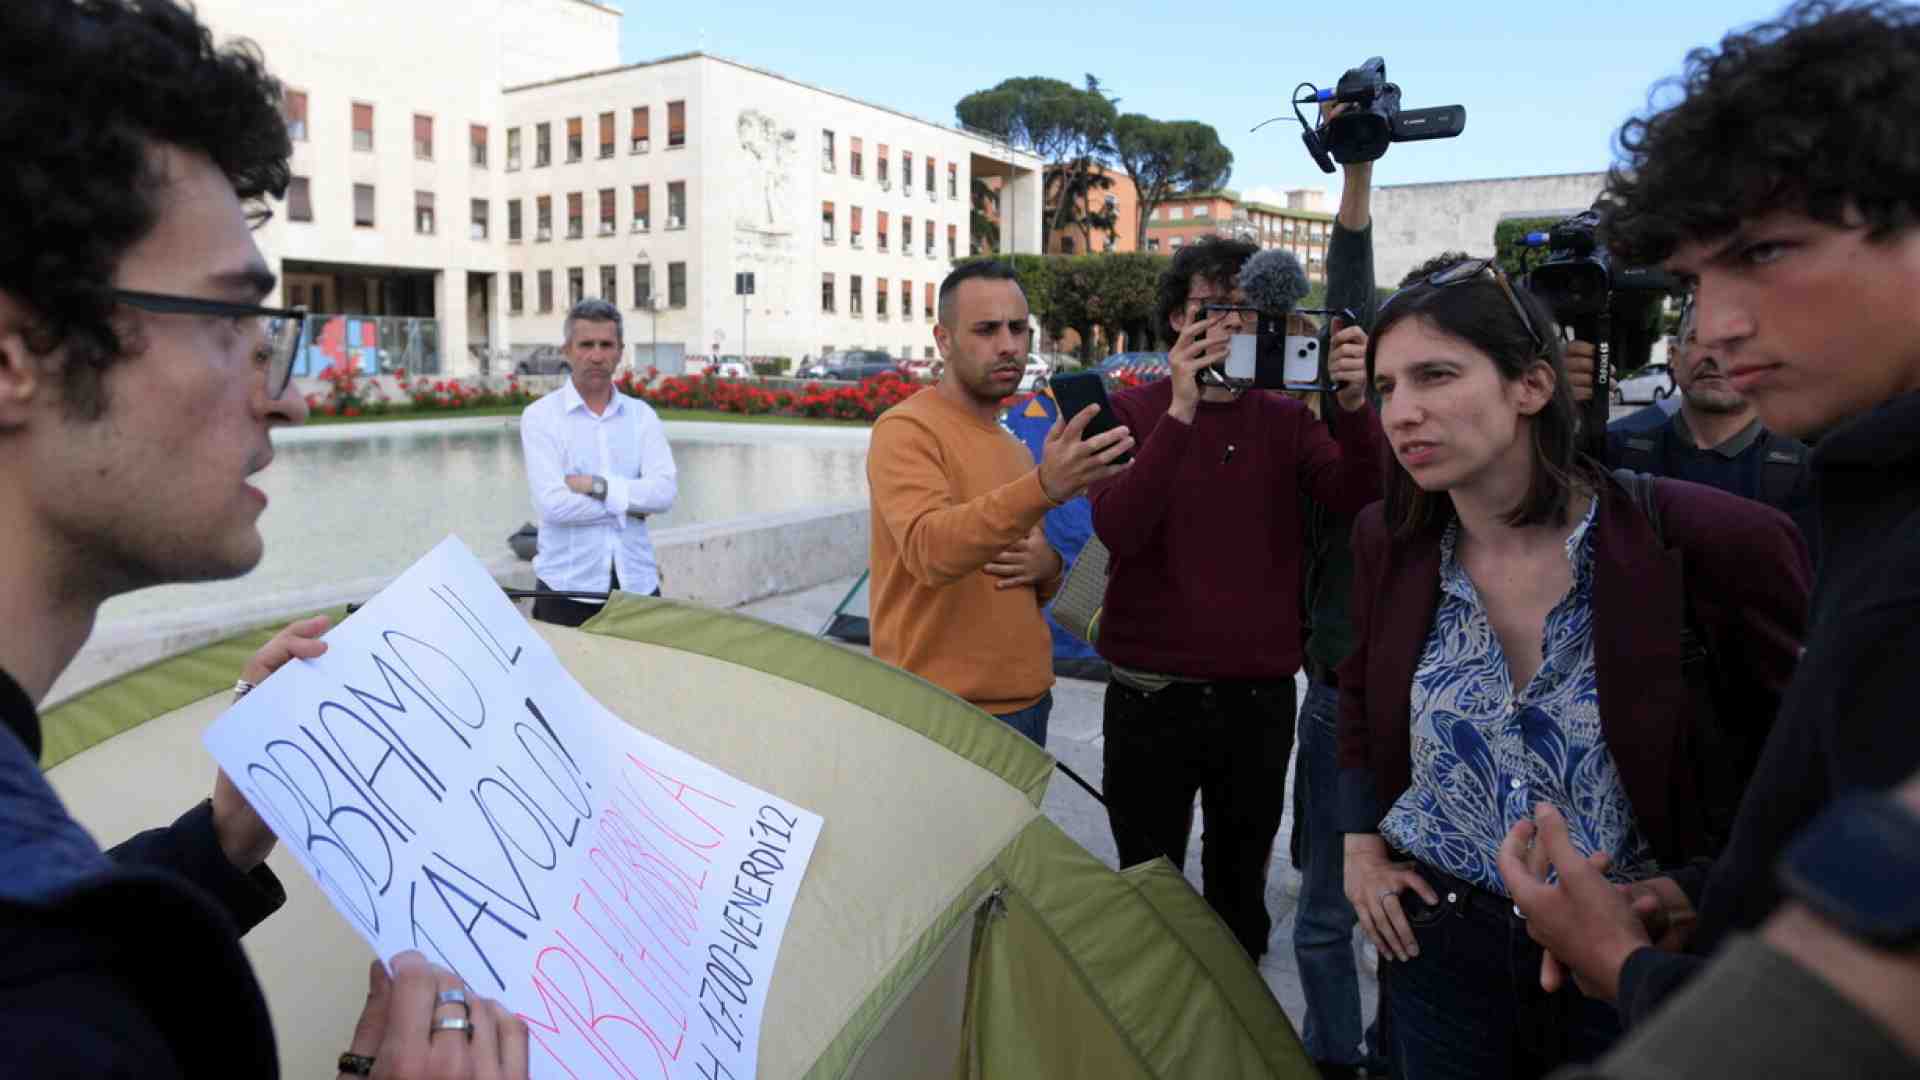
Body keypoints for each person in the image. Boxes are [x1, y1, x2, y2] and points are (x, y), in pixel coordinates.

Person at [0, 2, 524, 1077]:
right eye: (233, 321)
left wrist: (225, 837)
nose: (287, 403)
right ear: (16, 353)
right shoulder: (46, 996)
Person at [1492, 0, 1920, 1040]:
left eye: (1768, 252)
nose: (1717, 327)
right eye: (1693, 280)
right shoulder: (1871, 497)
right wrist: (1721, 901)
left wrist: (1624, 970)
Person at [1337, 254, 1809, 1078]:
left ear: (1531, 386)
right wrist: (1356, 841)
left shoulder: (1713, 542)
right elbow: (1356, 689)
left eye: (1436, 376)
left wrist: (1697, 888)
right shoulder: (1390, 542)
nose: (1402, 413)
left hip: (1635, 961)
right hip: (1439, 948)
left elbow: (1808, 769)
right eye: (1386, 388)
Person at [1087, 174, 1385, 960]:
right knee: (1145, 883)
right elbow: (1118, 526)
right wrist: (1181, 409)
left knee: (1237, 894)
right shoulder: (1136, 412)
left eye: (1241, 312)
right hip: (1149, 696)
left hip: (1255, 701)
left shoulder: (1287, 417)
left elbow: (1358, 492)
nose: (1224, 328)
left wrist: (1355, 408)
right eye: (1206, 311)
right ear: (1175, 321)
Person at [865, 260, 1129, 744]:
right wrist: (1045, 487)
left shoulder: (1012, 446)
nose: (1009, 345)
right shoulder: (906, 430)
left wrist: (1048, 566)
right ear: (943, 339)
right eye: (986, 329)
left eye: (1017, 329)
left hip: (1028, 705)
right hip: (941, 713)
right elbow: (929, 551)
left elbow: (1027, 585)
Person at [1287, 152, 1393, 1079]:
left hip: (1428, 719)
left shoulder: (1462, 471)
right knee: (1324, 909)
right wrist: (1354, 180)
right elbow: (1348, 309)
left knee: (1411, 910)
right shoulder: (1346, 442)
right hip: (1334, 701)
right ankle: (1335, 1056)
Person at [1581, 301, 1819, 552]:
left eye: (1737, 343)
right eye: (1700, 339)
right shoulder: (1614, 455)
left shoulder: (1805, 476)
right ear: (1673, 356)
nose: (1715, 357)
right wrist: (1560, 409)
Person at [520, 298, 677, 626]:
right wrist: (631, 505)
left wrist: (597, 487)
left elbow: (663, 493)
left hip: (638, 587)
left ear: (620, 351)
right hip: (565, 592)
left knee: (644, 679)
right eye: (586, 344)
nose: (596, 355)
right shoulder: (541, 418)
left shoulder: (641, 417)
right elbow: (553, 506)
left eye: (606, 345)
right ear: (567, 350)